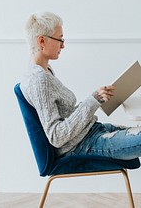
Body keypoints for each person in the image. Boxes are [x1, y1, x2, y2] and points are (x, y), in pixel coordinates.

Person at [20, 11, 141, 159]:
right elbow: (56, 136)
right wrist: (92, 101)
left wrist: (96, 98)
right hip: (82, 145)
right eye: (60, 39)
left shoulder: (45, 72)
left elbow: (66, 115)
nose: (63, 45)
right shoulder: (39, 80)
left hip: (91, 132)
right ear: (41, 41)